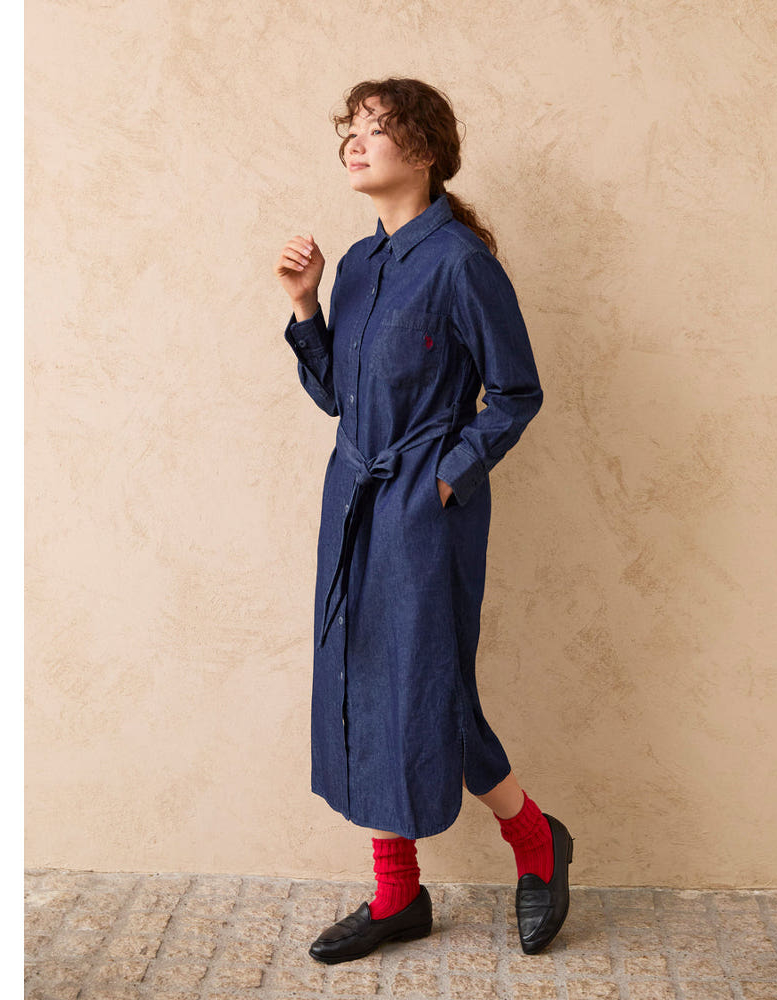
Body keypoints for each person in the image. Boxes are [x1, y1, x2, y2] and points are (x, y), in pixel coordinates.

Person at [274, 77, 572, 963]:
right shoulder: (358, 265)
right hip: (352, 498)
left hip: (421, 509)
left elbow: (516, 393)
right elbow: (337, 397)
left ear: (427, 150)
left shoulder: (461, 263)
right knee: (365, 676)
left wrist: (445, 480)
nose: (355, 141)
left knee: (428, 686)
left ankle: (537, 842)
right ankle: (397, 894)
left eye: (377, 127)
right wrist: (305, 306)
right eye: (352, 128)